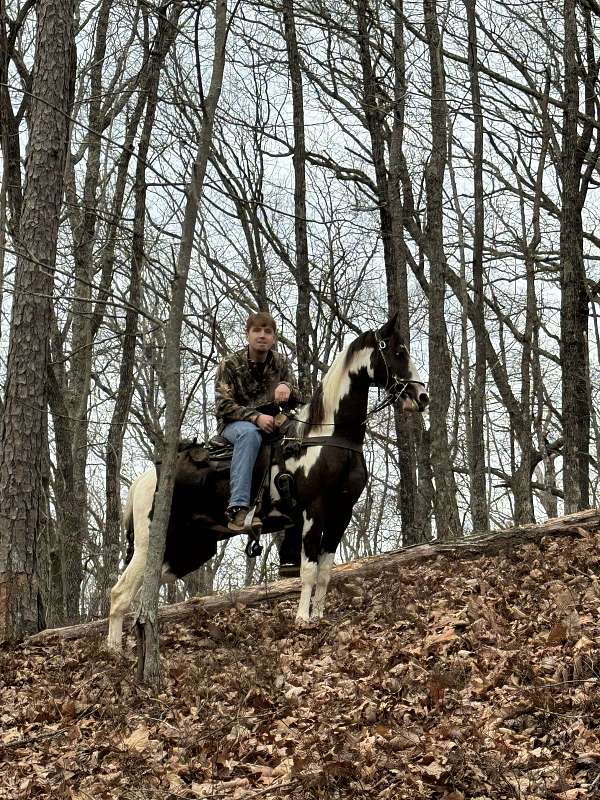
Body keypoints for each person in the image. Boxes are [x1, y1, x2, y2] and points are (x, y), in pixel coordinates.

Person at [214, 312, 300, 532]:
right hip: (235, 425)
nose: (262, 336)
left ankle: (292, 499)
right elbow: (223, 405)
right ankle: (239, 507)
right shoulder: (230, 365)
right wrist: (255, 418)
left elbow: (300, 394)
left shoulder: (280, 362)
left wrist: (287, 388)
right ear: (248, 334)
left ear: (274, 337)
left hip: (274, 421)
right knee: (250, 434)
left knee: (300, 431)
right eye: (257, 331)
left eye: (268, 332)